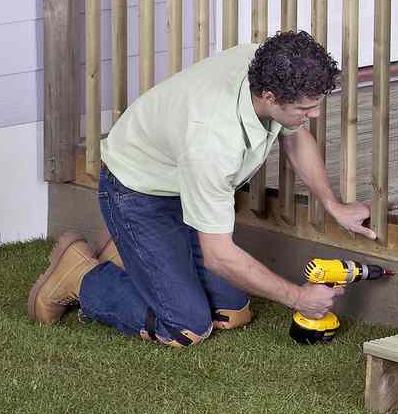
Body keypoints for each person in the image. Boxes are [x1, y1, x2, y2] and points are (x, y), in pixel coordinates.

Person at [27, 30, 379, 346]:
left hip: (181, 184)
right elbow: (219, 256)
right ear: (270, 97)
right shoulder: (212, 140)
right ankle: (80, 275)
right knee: (187, 326)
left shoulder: (268, 63)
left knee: (233, 312)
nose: (314, 115)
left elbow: (295, 135)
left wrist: (333, 205)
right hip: (136, 192)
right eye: (306, 107)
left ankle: (131, 250)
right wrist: (299, 298)